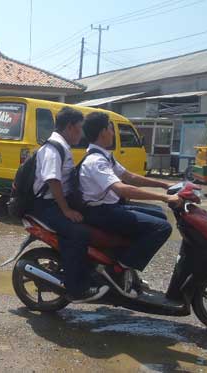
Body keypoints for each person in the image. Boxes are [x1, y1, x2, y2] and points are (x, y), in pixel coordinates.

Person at [79, 112, 180, 297]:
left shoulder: (105, 156)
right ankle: (119, 268)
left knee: (159, 215)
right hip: (100, 212)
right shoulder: (96, 161)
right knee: (162, 228)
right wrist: (164, 198)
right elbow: (122, 189)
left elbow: (129, 177)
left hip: (109, 208)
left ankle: (125, 262)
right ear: (103, 132)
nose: (112, 132)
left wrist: (165, 185)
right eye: (110, 128)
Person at [32, 107, 109, 303]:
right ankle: (77, 288)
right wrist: (66, 210)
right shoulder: (53, 148)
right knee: (78, 233)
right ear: (69, 126)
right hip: (46, 206)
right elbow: (53, 180)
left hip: (55, 203)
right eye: (80, 128)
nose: (82, 133)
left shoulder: (62, 146)